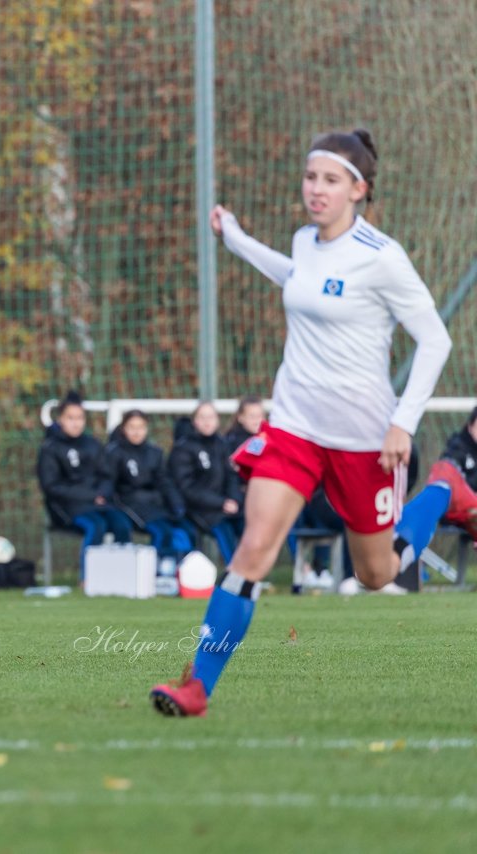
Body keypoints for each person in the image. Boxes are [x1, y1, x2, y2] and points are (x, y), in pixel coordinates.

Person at [151, 128, 461, 717]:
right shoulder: (304, 242)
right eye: (311, 177)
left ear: (359, 190)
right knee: (254, 550)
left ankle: (443, 491)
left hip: (364, 440)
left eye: (330, 180)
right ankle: (197, 688)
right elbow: (295, 277)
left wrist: (403, 422)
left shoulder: (382, 257)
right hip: (294, 426)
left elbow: (435, 340)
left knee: (377, 573)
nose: (315, 190)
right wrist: (236, 237)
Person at [36, 391, 133, 576]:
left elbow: (107, 476)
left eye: (80, 418)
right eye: (70, 418)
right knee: (95, 526)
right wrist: (90, 496)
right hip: (67, 507)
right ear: (60, 419)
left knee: (122, 524)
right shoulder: (50, 448)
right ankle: (88, 577)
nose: (76, 422)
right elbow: (51, 486)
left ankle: (122, 576)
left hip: (98, 503)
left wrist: (102, 494)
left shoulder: (93, 444)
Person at [103, 409, 190, 562]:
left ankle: (178, 572)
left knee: (186, 529)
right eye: (132, 427)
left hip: (154, 505)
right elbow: (108, 482)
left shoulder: (154, 452)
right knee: (161, 532)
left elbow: (165, 482)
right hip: (129, 505)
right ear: (124, 428)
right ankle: (151, 571)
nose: (137, 432)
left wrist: (176, 504)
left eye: (141, 427)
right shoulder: (115, 452)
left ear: (146, 428)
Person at [168, 401, 243, 563]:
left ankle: (252, 575)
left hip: (225, 505)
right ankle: (234, 575)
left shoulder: (223, 444)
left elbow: (231, 476)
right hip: (197, 508)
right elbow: (186, 487)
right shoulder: (184, 448)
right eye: (202, 417)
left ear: (217, 420)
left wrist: (234, 500)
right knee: (223, 528)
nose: (207, 421)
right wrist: (221, 503)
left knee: (248, 524)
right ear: (195, 421)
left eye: (211, 417)